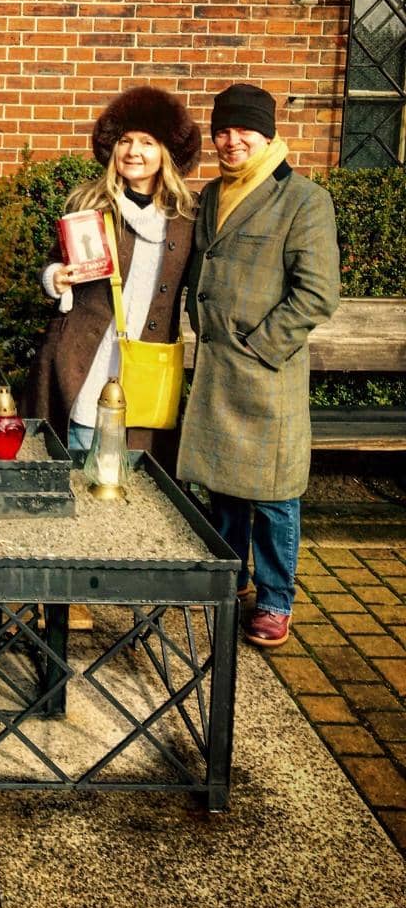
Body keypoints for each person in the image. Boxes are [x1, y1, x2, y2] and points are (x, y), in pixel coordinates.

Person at [177, 83, 341, 648]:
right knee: (224, 486)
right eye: (222, 129)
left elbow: (318, 294)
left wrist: (262, 346)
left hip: (268, 372)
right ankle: (231, 579)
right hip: (218, 367)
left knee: (273, 494)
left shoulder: (303, 200)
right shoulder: (210, 195)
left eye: (243, 128)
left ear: (268, 134)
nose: (231, 139)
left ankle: (275, 600)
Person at [24, 86, 201, 468]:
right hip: (85, 359)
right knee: (78, 458)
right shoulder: (89, 204)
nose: (133, 151)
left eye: (147, 142)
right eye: (125, 141)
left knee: (135, 473)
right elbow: (53, 264)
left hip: (145, 365)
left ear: (165, 153)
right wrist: (56, 278)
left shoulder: (187, 217)